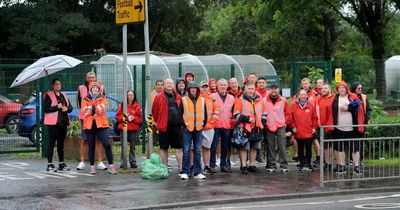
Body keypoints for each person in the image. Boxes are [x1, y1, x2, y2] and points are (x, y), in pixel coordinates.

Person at [329, 81, 365, 174]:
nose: (341, 89)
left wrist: (348, 108)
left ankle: (356, 166)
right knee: (340, 148)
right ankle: (341, 166)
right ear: (337, 89)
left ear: (346, 88)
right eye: (339, 88)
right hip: (338, 128)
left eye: (343, 88)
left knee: (355, 149)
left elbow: (359, 108)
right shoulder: (335, 98)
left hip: (352, 128)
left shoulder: (352, 96)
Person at [81, 82, 117, 174]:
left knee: (106, 144)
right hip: (89, 125)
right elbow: (84, 111)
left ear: (99, 90)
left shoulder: (103, 99)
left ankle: (112, 166)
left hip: (101, 125)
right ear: (90, 89)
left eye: (97, 88)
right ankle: (92, 167)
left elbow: (101, 110)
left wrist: (92, 109)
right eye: (93, 88)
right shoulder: (85, 99)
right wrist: (94, 109)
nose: (95, 90)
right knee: (91, 146)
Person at [233, 81, 267, 174]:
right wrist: (247, 119)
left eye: (252, 88)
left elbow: (264, 113)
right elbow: (236, 114)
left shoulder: (260, 99)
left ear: (255, 89)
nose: (251, 90)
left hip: (257, 127)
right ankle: (244, 165)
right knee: (244, 147)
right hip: (245, 127)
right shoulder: (240, 99)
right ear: (245, 89)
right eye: (249, 89)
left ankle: (252, 165)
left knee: (255, 147)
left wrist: (262, 121)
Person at [152, 78, 183, 176]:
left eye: (171, 83)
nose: (169, 85)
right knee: (164, 148)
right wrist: (159, 122)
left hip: (176, 126)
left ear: (174, 85)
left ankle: (181, 168)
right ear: (164, 85)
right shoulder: (158, 97)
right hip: (164, 127)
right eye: (168, 83)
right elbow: (155, 112)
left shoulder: (178, 97)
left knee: (178, 148)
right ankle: (165, 168)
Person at [76, 72, 107, 171]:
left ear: (95, 78)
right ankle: (82, 162)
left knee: (98, 140)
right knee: (85, 140)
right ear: (86, 79)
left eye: (93, 77)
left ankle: (100, 162)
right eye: (89, 77)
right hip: (86, 118)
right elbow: (78, 103)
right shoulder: (81, 88)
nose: (91, 79)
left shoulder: (101, 87)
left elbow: (103, 101)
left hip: (98, 118)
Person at [179, 81, 208, 180]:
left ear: (197, 90)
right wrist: (184, 125)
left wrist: (203, 124)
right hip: (187, 129)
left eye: (195, 88)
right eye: (192, 88)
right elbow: (180, 115)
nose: (193, 90)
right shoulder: (183, 100)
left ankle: (197, 172)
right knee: (186, 150)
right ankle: (185, 172)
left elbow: (205, 114)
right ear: (188, 90)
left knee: (197, 150)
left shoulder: (202, 100)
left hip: (198, 129)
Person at [43, 79, 73, 172]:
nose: (58, 86)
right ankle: (49, 164)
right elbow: (46, 109)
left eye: (59, 84)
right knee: (51, 143)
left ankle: (61, 163)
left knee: (61, 144)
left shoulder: (64, 95)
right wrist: (57, 107)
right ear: (53, 86)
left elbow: (71, 107)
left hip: (63, 122)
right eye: (56, 84)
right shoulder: (48, 95)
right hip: (53, 123)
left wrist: (66, 109)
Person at [289, 89, 318, 171]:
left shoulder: (311, 106)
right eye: (301, 95)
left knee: (308, 148)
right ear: (298, 96)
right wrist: (293, 127)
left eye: (305, 95)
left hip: (308, 131)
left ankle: (308, 164)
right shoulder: (293, 106)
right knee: (300, 148)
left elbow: (314, 118)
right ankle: (302, 164)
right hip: (298, 131)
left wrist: (314, 128)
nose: (303, 96)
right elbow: (291, 119)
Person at [264, 84, 290, 172]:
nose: (274, 90)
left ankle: (284, 165)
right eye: (272, 89)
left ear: (279, 90)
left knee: (282, 145)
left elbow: (287, 113)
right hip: (269, 125)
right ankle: (271, 165)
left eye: (275, 89)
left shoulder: (283, 100)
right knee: (270, 146)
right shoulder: (264, 100)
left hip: (281, 125)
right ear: (269, 90)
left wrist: (285, 123)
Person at [211, 79, 235, 173]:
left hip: (227, 125)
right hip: (215, 124)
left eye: (225, 85)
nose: (223, 87)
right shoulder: (212, 96)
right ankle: (212, 165)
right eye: (221, 85)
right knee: (213, 145)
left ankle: (223, 165)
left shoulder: (232, 98)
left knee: (225, 146)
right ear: (217, 86)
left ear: (227, 86)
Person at [116, 90, 142, 169]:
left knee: (132, 146)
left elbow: (140, 119)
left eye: (132, 95)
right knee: (123, 146)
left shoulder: (137, 106)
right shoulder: (123, 105)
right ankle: (123, 162)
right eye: (129, 95)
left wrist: (134, 118)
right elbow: (117, 116)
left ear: (134, 96)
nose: (130, 97)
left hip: (133, 129)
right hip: (123, 128)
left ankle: (132, 161)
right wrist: (123, 117)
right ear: (126, 96)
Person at [199, 80, 219, 175]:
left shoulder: (212, 98)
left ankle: (207, 166)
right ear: (199, 88)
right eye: (203, 86)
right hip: (197, 127)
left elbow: (216, 111)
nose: (205, 88)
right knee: (195, 148)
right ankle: (195, 166)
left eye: (206, 86)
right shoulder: (196, 98)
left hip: (209, 127)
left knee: (207, 147)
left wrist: (211, 123)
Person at [350, 82, 372, 163]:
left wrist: (367, 118)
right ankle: (352, 159)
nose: (360, 90)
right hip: (352, 123)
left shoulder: (364, 97)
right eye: (358, 88)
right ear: (354, 88)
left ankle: (360, 160)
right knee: (352, 142)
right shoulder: (350, 96)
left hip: (362, 123)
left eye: (361, 88)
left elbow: (369, 109)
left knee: (360, 142)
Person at [315, 83, 335, 171]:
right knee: (324, 146)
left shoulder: (334, 98)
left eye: (325, 88)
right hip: (320, 126)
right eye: (322, 88)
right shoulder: (318, 99)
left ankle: (329, 163)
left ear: (330, 89)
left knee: (329, 146)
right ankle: (326, 162)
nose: (323, 90)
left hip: (329, 126)